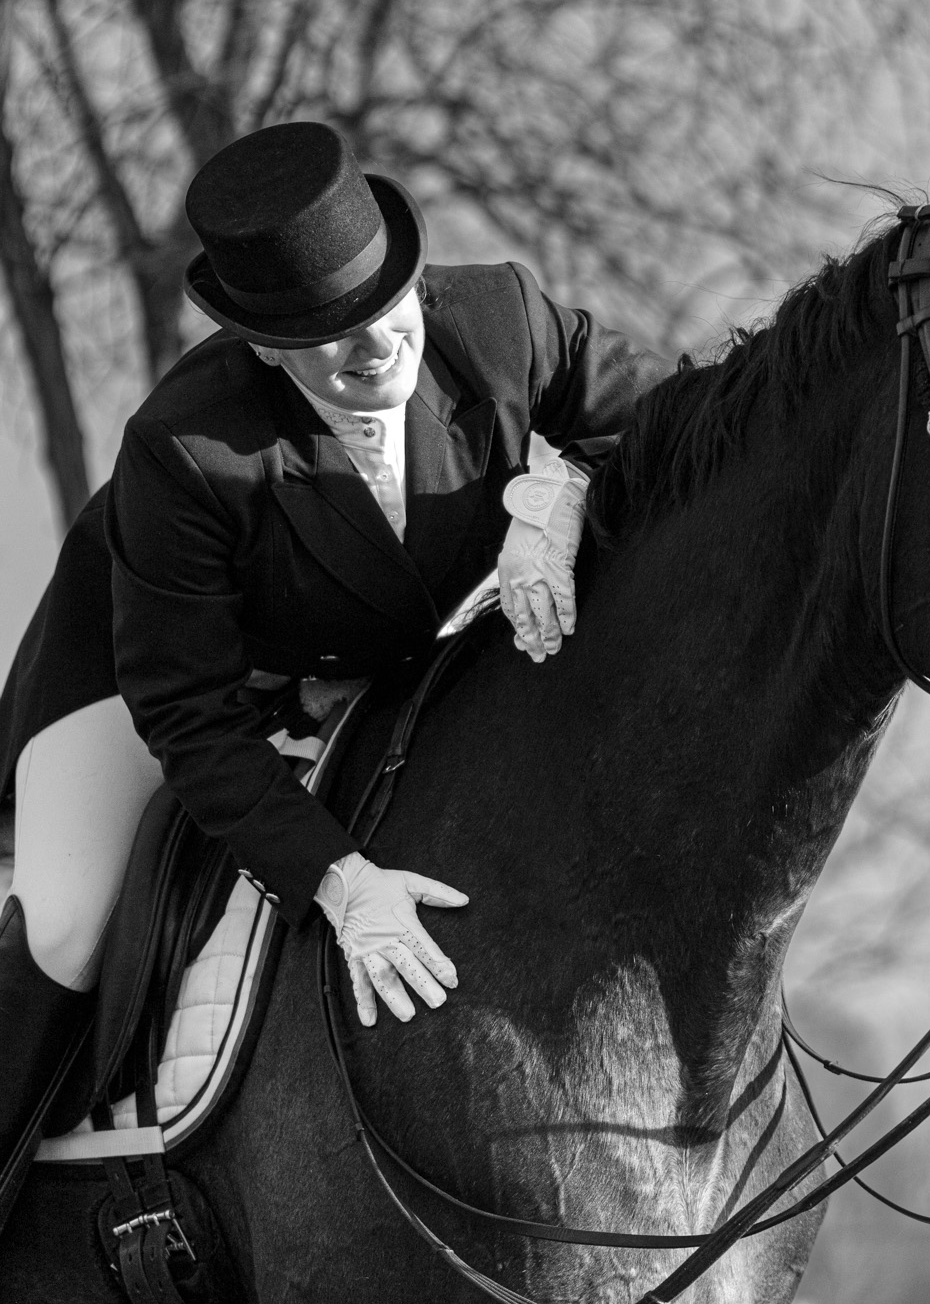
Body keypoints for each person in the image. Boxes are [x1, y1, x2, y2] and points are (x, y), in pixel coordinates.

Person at [0, 121, 666, 1211]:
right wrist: (340, 883)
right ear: (265, 347)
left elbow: (684, 409)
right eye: (327, 336)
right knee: (70, 919)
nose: (372, 349)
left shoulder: (498, 319)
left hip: (373, 656)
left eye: (383, 306)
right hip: (148, 673)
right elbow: (193, 718)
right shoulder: (189, 448)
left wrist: (569, 489)